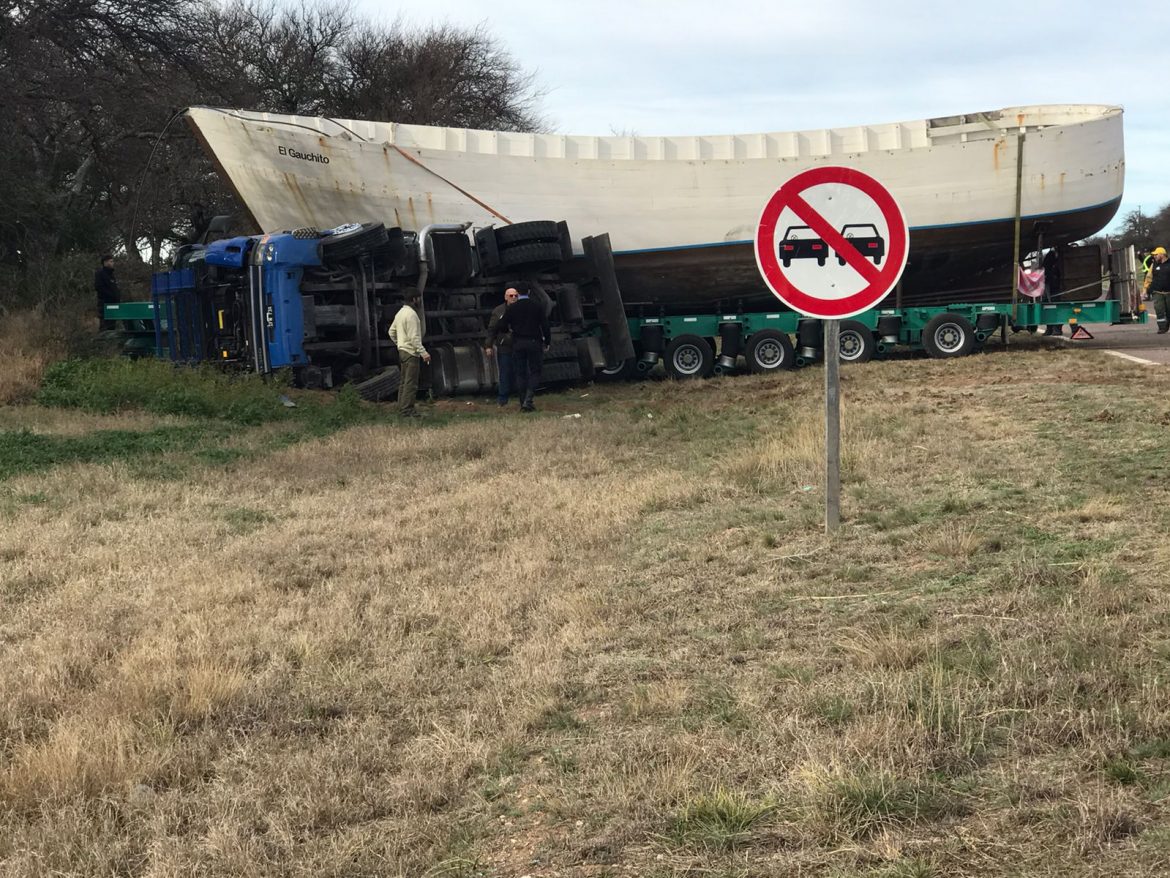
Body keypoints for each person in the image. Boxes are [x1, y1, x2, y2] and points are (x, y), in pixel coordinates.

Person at [494, 282, 550, 412]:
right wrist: (547, 341)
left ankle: (522, 402)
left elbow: (500, 325)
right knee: (535, 371)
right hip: (534, 342)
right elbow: (545, 326)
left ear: (517, 293)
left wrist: (510, 330)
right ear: (529, 292)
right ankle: (528, 400)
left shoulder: (512, 308)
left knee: (520, 373)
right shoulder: (537, 306)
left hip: (518, 343)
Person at [388, 292, 431, 417]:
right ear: (414, 299)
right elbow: (414, 338)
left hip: (402, 351)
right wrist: (424, 353)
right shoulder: (412, 315)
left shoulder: (400, 313)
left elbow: (391, 332)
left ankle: (401, 407)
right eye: (419, 298)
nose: (420, 301)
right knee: (411, 383)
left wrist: (399, 344)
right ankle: (407, 410)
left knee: (403, 382)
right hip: (411, 352)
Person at [484, 286, 519, 406]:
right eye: (511, 296)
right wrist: (488, 345)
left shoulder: (521, 308)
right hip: (505, 345)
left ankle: (523, 397)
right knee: (504, 372)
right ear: (506, 297)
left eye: (515, 295)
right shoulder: (498, 311)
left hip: (519, 345)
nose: (513, 298)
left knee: (522, 371)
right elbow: (492, 330)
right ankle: (503, 399)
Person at [94, 254, 121, 330]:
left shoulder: (111, 275)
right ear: (105, 262)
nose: (113, 263)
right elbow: (99, 287)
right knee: (105, 325)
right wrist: (111, 295)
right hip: (105, 303)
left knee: (112, 325)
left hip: (113, 304)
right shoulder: (100, 273)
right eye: (111, 261)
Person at [1148, 247, 1170, 334]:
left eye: (1156, 254)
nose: (1155, 256)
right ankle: (1162, 328)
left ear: (1162, 254)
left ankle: (1167, 324)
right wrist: (1145, 290)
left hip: (1169, 293)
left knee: (1169, 311)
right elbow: (1148, 277)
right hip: (1157, 292)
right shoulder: (1154, 265)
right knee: (1159, 310)